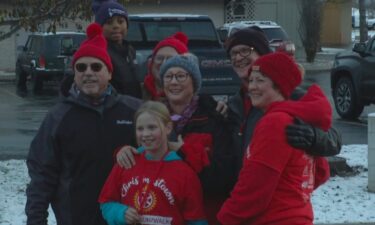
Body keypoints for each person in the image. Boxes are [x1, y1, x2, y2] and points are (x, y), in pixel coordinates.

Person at [25, 23, 142, 225]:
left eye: (96, 67)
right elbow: (42, 176)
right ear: (75, 74)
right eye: (81, 67)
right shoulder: (58, 117)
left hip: (128, 218)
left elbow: (162, 150)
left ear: (109, 73)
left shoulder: (134, 111)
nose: (88, 72)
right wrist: (36, 220)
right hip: (77, 217)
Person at [117, 54, 234, 224]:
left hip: (202, 215)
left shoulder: (214, 118)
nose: (174, 82)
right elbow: (135, 151)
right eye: (168, 76)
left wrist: (184, 152)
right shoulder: (150, 116)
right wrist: (123, 151)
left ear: (194, 82)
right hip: (158, 214)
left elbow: (223, 177)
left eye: (180, 76)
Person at [217, 52, 331, 224]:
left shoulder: (274, 122)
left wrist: (224, 219)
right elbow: (321, 173)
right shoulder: (296, 119)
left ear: (279, 85)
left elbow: (254, 190)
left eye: (260, 81)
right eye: (251, 81)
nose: (252, 87)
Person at [224, 27, 342, 178]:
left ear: (263, 54)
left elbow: (334, 139)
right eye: (233, 53)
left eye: (245, 50)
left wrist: (312, 137)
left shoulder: (288, 95)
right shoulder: (234, 103)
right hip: (244, 189)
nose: (238, 58)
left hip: (277, 192)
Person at [99, 101, 208, 225]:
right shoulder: (126, 161)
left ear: (168, 128)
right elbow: (105, 203)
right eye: (140, 128)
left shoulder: (185, 173)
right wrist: (120, 213)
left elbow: (197, 220)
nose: (145, 134)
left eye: (152, 127)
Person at [92, 0, 142, 98]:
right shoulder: (99, 52)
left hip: (133, 105)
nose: (116, 26)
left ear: (127, 25)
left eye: (120, 21)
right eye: (109, 22)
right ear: (100, 27)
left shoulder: (130, 50)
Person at [143, 32, 189, 100]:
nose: (164, 63)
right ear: (151, 64)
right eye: (159, 58)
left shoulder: (190, 101)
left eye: (170, 59)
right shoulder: (137, 92)